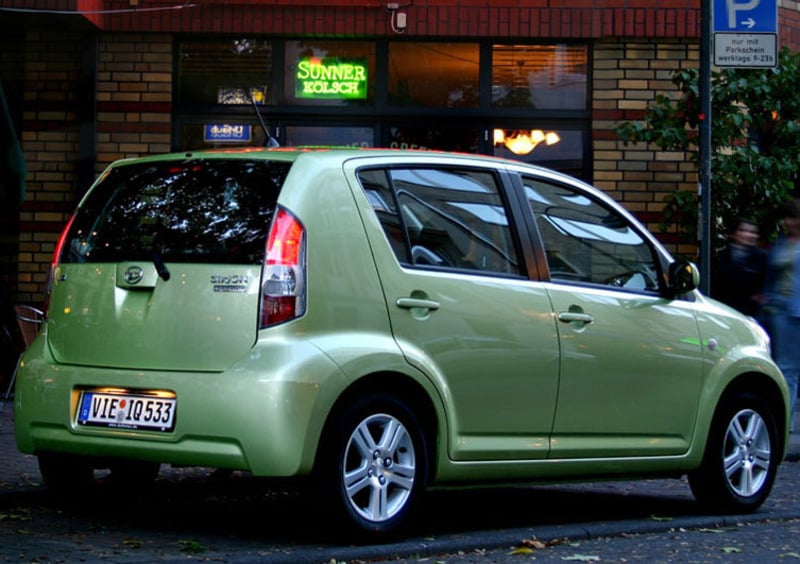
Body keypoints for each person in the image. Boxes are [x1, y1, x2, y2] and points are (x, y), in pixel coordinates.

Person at [763, 200, 800, 430]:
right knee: (785, 368)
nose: (788, 222)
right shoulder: (781, 243)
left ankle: (782, 424)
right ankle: (782, 422)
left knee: (789, 370)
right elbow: (771, 275)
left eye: (792, 217)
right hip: (780, 310)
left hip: (796, 310)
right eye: (786, 218)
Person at [711, 218, 767, 318]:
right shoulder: (720, 257)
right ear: (733, 234)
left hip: (752, 313)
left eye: (753, 232)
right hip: (725, 311)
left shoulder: (762, 257)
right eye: (743, 231)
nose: (749, 235)